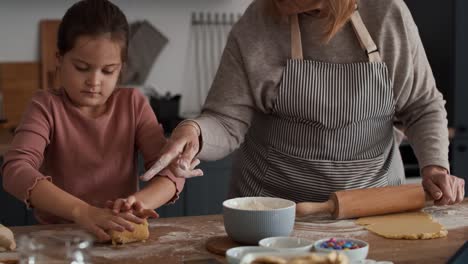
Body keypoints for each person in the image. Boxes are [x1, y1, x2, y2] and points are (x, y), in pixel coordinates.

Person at [141, 0, 465, 206]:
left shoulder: (386, 13)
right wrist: (193, 133)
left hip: (373, 207)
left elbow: (422, 105)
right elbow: (226, 119)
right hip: (271, 213)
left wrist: (435, 166)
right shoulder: (258, 19)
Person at [1, 0, 202, 241]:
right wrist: (83, 212)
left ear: (121, 69)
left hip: (121, 231)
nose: (94, 81)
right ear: (59, 59)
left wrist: (138, 202)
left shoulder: (134, 104)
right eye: (82, 67)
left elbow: (169, 172)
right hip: (60, 238)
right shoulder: (45, 106)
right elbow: (15, 170)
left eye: (108, 71)